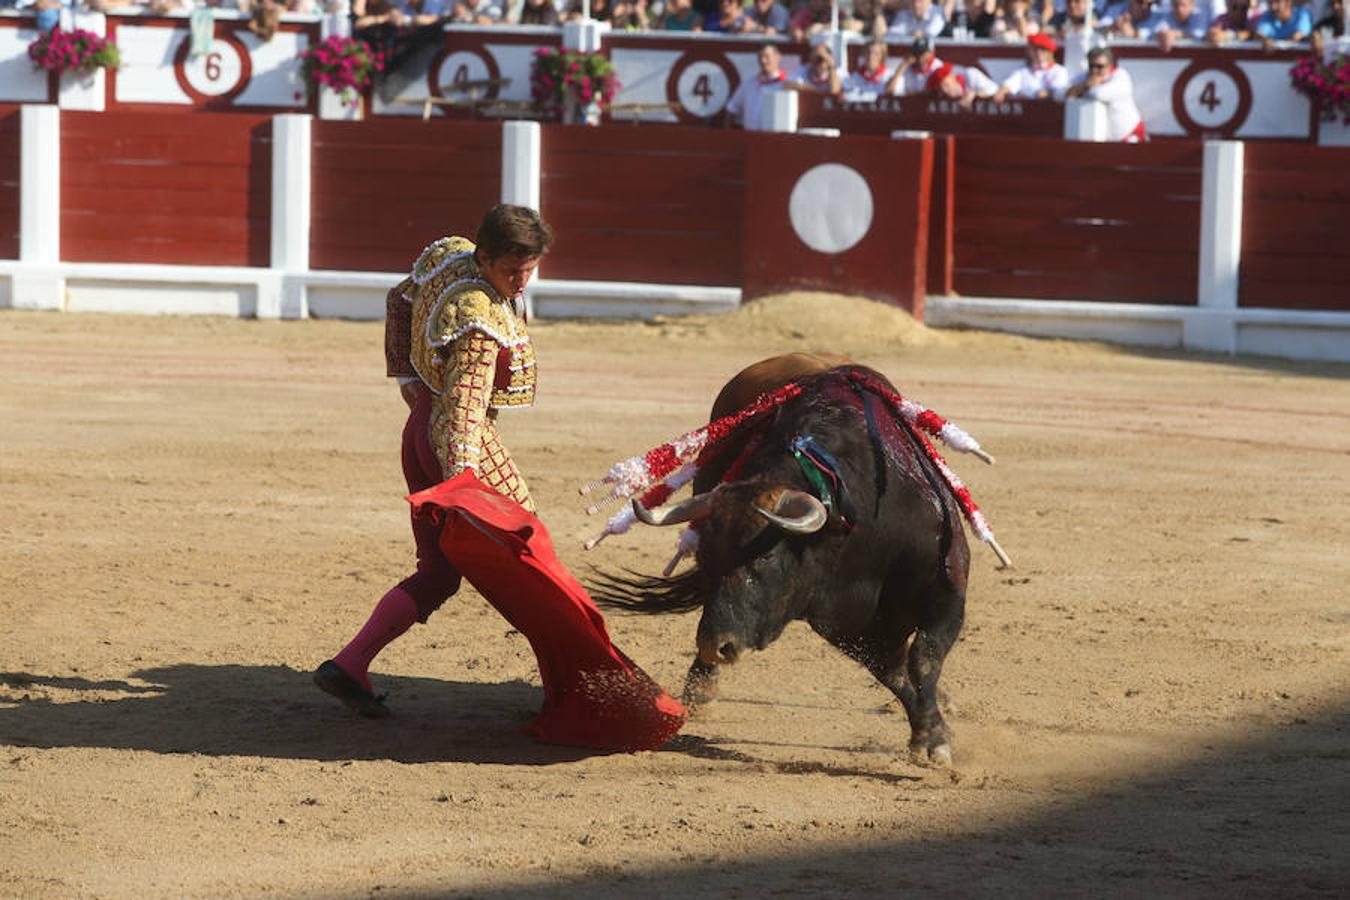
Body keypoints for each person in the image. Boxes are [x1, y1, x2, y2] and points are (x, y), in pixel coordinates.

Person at [314, 204, 553, 718]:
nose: (521, 282)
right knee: (532, 554)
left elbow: (399, 299)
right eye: (512, 271)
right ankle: (568, 682)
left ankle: (350, 664)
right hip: (457, 444)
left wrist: (406, 377)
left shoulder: (450, 257)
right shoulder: (479, 317)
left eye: (529, 269)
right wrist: (465, 481)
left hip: (418, 432)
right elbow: (465, 412)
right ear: (485, 258)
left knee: (440, 575)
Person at [1061, 46, 1146, 141]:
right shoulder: (1086, 77)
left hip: (1128, 135)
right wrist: (1085, 85)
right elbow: (1063, 93)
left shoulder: (1120, 76)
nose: (1094, 70)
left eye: (1099, 66)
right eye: (1091, 66)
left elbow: (1098, 94)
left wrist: (1081, 89)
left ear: (1110, 65)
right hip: (1104, 139)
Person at [725, 42, 787, 129]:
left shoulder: (787, 85)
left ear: (778, 57)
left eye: (767, 56)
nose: (763, 61)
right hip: (750, 139)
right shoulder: (748, 84)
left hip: (776, 139)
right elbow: (731, 109)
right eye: (760, 56)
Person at [992, 31, 1068, 101]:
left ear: (1049, 52)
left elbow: (1058, 91)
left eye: (1042, 49)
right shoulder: (1023, 71)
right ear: (1029, 51)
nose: (1038, 52)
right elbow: (1010, 84)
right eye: (1035, 49)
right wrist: (1001, 91)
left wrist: (1046, 93)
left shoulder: (1059, 71)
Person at [926, 60, 998, 105]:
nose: (945, 91)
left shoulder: (970, 74)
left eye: (946, 85)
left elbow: (994, 89)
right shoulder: (942, 100)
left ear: (952, 77)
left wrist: (975, 95)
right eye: (940, 89)